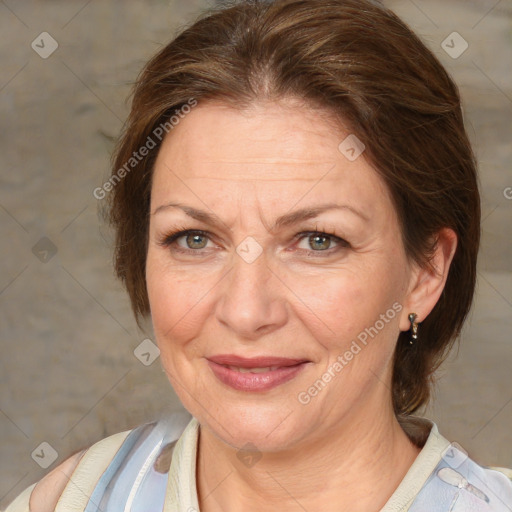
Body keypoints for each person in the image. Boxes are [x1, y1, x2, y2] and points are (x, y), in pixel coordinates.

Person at [4, 0, 512, 510]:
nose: (246, 312)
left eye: (318, 240)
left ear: (425, 272)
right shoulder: (67, 501)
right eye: (194, 239)